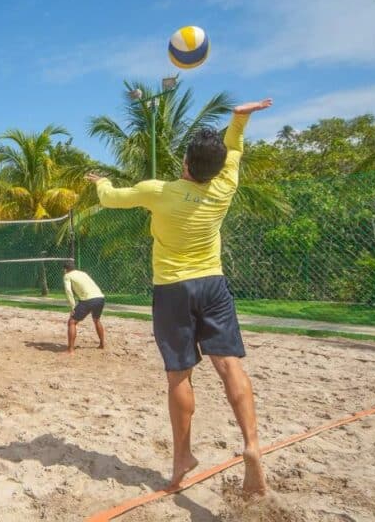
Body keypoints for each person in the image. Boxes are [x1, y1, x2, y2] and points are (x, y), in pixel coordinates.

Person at [87, 98, 273, 497]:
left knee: (179, 376)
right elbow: (235, 148)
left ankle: (182, 457)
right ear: (217, 168)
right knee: (230, 366)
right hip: (213, 284)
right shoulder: (225, 186)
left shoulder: (160, 192)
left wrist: (99, 181)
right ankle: (253, 445)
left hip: (172, 289)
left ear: (186, 162)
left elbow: (109, 199)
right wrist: (240, 119)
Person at [62, 260, 106, 355]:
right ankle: (102, 344)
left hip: (88, 300)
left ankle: (70, 350)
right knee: (96, 320)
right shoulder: (83, 273)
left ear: (65, 269)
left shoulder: (67, 276)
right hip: (100, 298)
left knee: (72, 322)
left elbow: (68, 291)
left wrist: (72, 307)